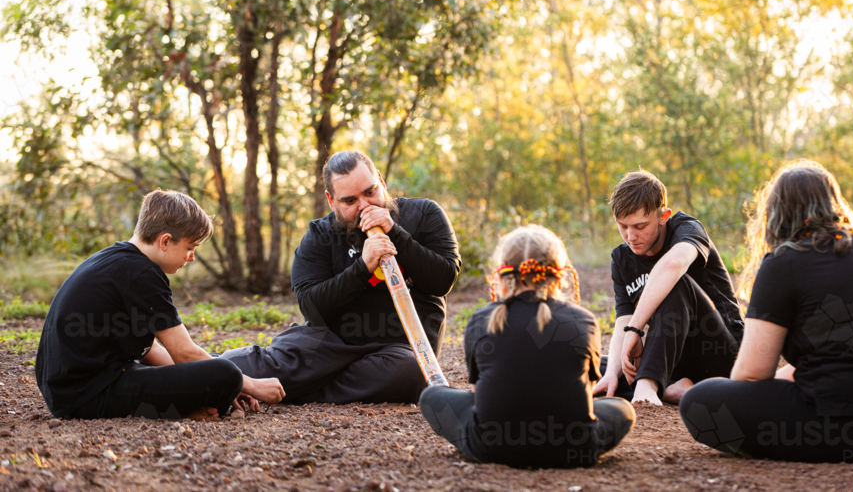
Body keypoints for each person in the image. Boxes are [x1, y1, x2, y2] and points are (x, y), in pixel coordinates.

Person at [679, 160, 853, 463]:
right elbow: (838, 356)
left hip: (852, 425)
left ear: (774, 215)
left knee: (699, 401)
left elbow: (751, 374)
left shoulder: (783, 264)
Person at [222, 149, 460, 404]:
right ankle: (206, 372)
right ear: (331, 200)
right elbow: (311, 308)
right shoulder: (319, 235)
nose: (365, 206)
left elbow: (443, 280)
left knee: (412, 372)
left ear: (380, 180)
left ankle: (289, 389)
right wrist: (362, 268)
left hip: (401, 348)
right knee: (236, 367)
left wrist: (396, 234)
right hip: (331, 343)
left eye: (370, 192)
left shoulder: (425, 214)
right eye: (350, 201)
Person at [35, 190, 285, 420]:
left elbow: (149, 350)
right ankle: (181, 407)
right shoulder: (141, 272)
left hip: (71, 391)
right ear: (165, 241)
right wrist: (249, 384)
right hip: (88, 395)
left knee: (216, 365)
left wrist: (220, 380)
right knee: (225, 372)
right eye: (189, 247)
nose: (192, 257)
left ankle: (183, 406)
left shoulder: (118, 260)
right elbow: (183, 352)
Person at [419, 225, 635, 468]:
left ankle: (485, 448)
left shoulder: (481, 320)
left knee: (432, 396)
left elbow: (479, 393)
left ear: (501, 274)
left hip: (491, 447)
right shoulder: (583, 319)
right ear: (560, 274)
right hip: (574, 449)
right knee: (622, 409)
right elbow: (587, 389)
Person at [594, 170, 744, 406]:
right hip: (671, 357)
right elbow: (625, 318)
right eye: (622, 226)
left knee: (675, 281)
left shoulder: (688, 229)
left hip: (721, 353)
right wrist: (612, 372)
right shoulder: (622, 258)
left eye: (640, 226)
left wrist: (635, 329)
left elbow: (672, 265)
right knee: (590, 365)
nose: (630, 236)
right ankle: (673, 387)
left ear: (664, 216)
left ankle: (647, 387)